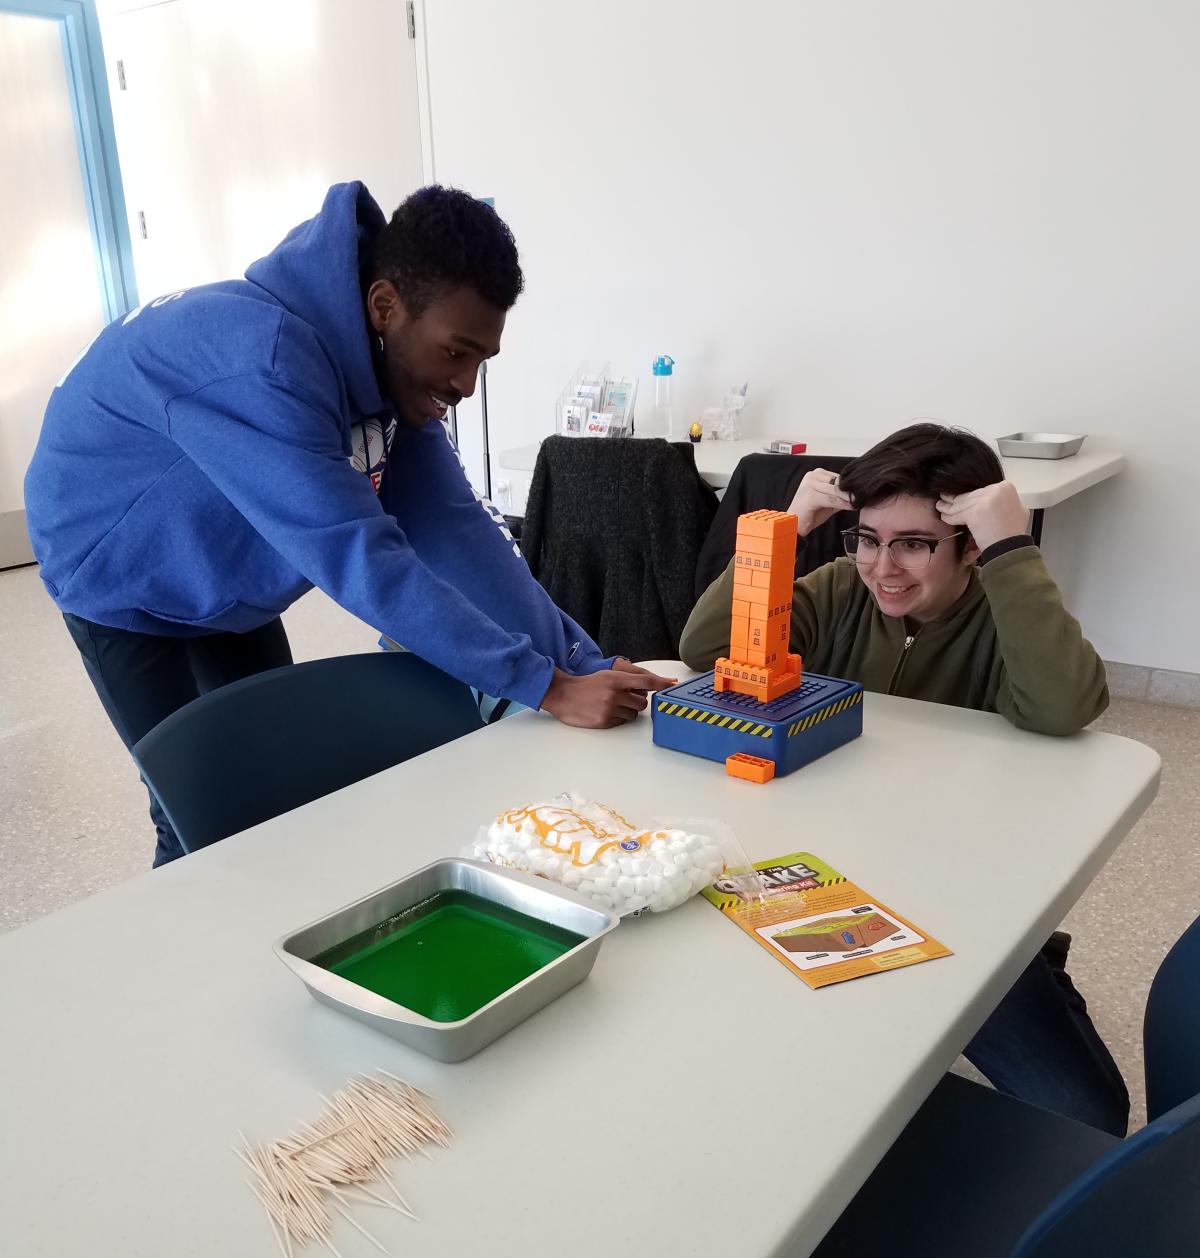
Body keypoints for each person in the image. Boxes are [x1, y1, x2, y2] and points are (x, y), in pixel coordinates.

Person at [25, 183, 670, 865]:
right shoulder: (265, 364)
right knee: (197, 808)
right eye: (457, 352)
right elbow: (366, 561)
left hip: (225, 566)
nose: (467, 384)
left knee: (274, 789)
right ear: (385, 305)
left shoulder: (388, 369)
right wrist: (545, 687)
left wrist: (579, 663)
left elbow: (454, 528)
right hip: (115, 569)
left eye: (483, 359)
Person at [679, 423, 1128, 1135]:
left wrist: (1013, 550)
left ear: (970, 543)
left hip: (963, 898)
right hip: (828, 875)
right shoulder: (837, 589)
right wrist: (787, 530)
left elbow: (1066, 706)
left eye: (914, 543)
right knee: (772, 1084)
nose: (883, 567)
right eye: (867, 538)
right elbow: (705, 652)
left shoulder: (1007, 609)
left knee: (1082, 1117)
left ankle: (1033, 961)